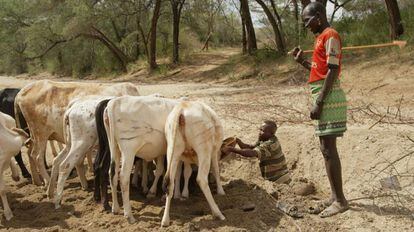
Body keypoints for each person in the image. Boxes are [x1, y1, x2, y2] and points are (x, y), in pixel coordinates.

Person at [290, 2, 348, 217]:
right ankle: (334, 196)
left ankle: (340, 200)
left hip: (329, 98)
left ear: (319, 17)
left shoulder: (331, 34)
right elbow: (320, 71)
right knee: (326, 148)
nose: (306, 25)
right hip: (324, 94)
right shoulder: (320, 38)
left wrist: (320, 102)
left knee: (328, 149)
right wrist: (302, 62)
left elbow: (332, 72)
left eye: (308, 20)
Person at [221, 120, 291, 184]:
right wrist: (238, 141)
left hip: (280, 179)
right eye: (260, 129)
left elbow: (252, 153)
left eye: (262, 131)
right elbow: (250, 147)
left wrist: (231, 149)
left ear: (271, 134)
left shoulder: (271, 144)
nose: (260, 132)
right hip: (273, 178)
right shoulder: (264, 139)